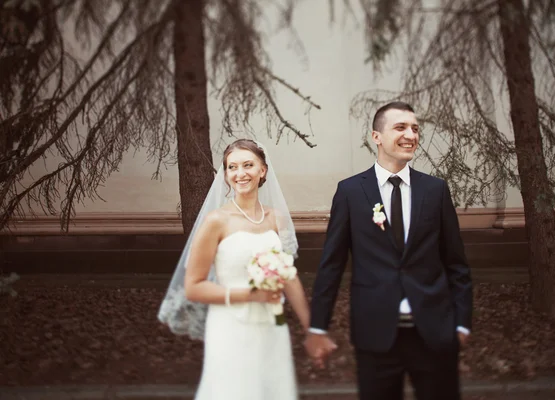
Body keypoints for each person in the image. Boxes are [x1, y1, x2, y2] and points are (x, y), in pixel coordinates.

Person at [304, 101, 473, 400]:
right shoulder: (351, 192)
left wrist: (461, 323)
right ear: (376, 137)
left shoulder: (435, 190)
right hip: (375, 334)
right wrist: (318, 326)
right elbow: (332, 264)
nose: (411, 135)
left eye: (415, 128)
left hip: (434, 332)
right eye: (400, 127)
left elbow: (456, 263)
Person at [158, 139, 310, 400]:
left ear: (263, 170)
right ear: (226, 174)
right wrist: (251, 296)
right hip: (230, 326)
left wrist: (312, 329)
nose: (240, 174)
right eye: (232, 167)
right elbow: (193, 287)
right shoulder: (216, 221)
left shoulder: (277, 218)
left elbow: (290, 278)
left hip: (272, 326)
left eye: (248, 165)